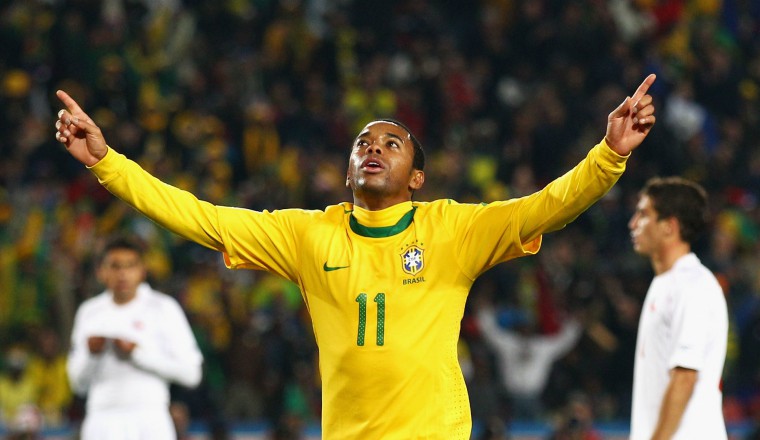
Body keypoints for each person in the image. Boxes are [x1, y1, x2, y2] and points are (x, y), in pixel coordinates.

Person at [54, 74, 657, 439]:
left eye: (392, 143)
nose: (374, 149)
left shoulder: (452, 229)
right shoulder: (309, 235)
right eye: (363, 143)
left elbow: (546, 207)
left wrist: (609, 154)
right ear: (347, 171)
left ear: (416, 177)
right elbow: (202, 218)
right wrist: (107, 163)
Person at [66, 236, 203, 440]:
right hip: (101, 417)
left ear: (142, 270)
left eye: (130, 266)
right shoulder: (89, 312)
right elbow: (77, 384)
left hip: (150, 416)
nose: (122, 274)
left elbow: (192, 374)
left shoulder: (163, 308)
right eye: (115, 266)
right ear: (101, 272)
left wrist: (137, 355)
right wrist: (91, 355)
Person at [627, 177, 728, 440]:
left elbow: (685, 377)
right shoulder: (666, 283)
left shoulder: (693, 285)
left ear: (669, 227)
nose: (633, 224)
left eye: (643, 215)